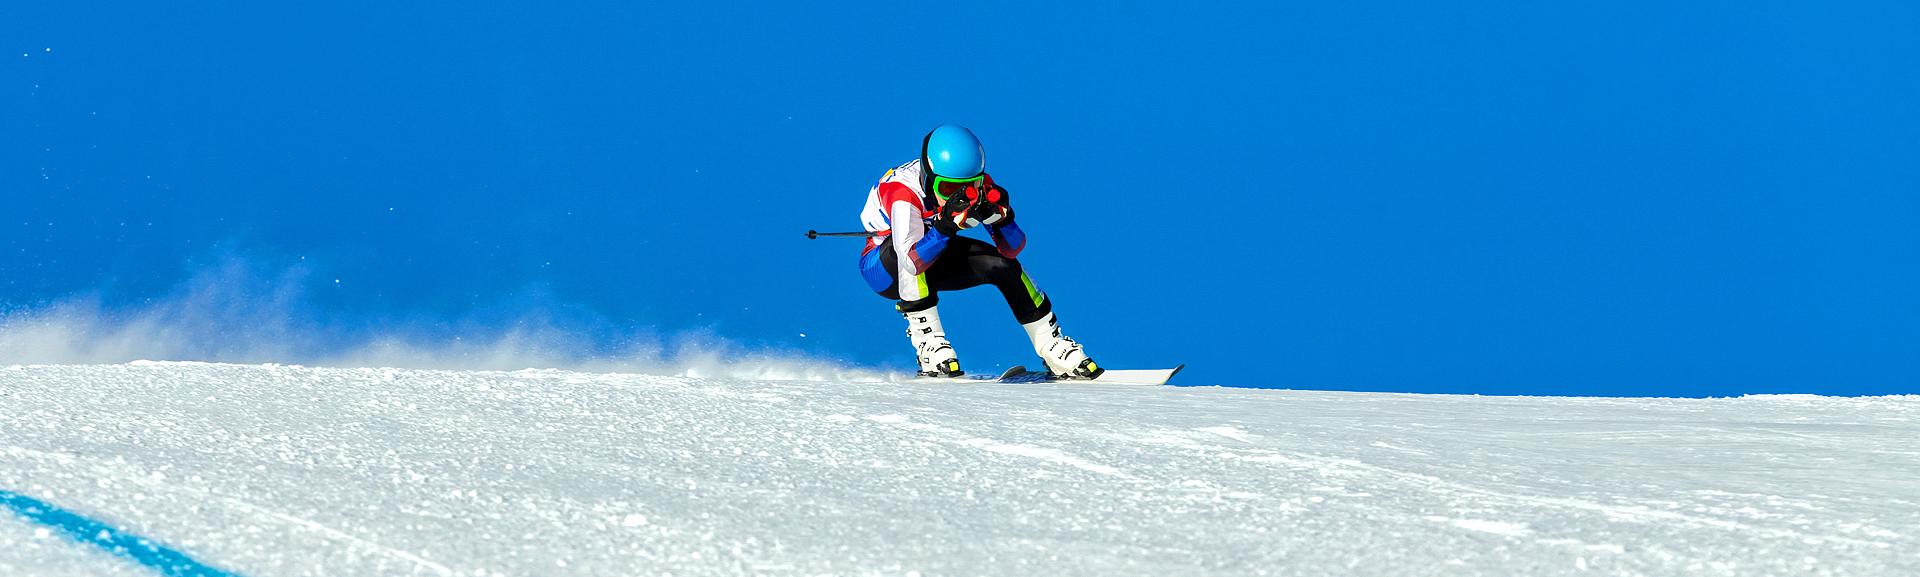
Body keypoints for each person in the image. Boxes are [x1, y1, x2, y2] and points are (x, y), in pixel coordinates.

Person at [856, 125, 1103, 379]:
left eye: (970, 187)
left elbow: (1012, 248)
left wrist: (1003, 220)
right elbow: (911, 261)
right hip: (885, 268)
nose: (960, 196)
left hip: (935, 254)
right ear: (930, 180)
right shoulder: (902, 192)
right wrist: (944, 227)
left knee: (1001, 264)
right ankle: (928, 342)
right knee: (907, 252)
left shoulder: (980, 186)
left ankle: (1050, 344)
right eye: (948, 190)